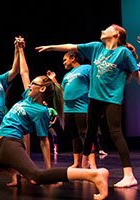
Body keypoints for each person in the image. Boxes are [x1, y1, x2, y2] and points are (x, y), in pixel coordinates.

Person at [0, 37, 109, 200]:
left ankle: (93, 175)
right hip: (0, 151)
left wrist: (49, 170)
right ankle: (7, 167)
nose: (29, 86)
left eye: (33, 85)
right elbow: (24, 72)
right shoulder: (27, 98)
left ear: (41, 89)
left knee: (35, 176)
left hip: (10, 142)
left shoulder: (40, 111)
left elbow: (44, 141)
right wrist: (20, 49)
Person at [36, 24, 140, 188]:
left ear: (117, 34)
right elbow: (71, 46)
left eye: (107, 29)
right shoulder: (97, 47)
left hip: (112, 99)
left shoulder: (123, 52)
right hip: (94, 98)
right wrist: (51, 47)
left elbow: (136, 76)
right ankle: (83, 166)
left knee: (115, 133)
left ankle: (129, 175)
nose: (102, 31)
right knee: (90, 131)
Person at [47, 51, 97, 169]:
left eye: (65, 60)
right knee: (74, 136)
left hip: (82, 107)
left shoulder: (87, 68)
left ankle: (93, 164)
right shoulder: (67, 75)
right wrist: (53, 80)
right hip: (68, 109)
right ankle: (77, 163)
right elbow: (61, 91)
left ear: (73, 58)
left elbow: (95, 85)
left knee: (85, 135)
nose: (64, 63)